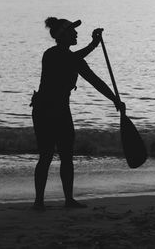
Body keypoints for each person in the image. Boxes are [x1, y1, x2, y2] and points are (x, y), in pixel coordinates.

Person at [30, 17, 125, 210]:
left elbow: (95, 80)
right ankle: (38, 202)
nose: (75, 34)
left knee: (67, 155)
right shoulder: (51, 55)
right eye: (72, 31)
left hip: (62, 110)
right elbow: (72, 59)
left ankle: (69, 200)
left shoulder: (75, 60)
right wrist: (94, 44)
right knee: (46, 155)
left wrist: (114, 99)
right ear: (62, 36)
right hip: (45, 110)